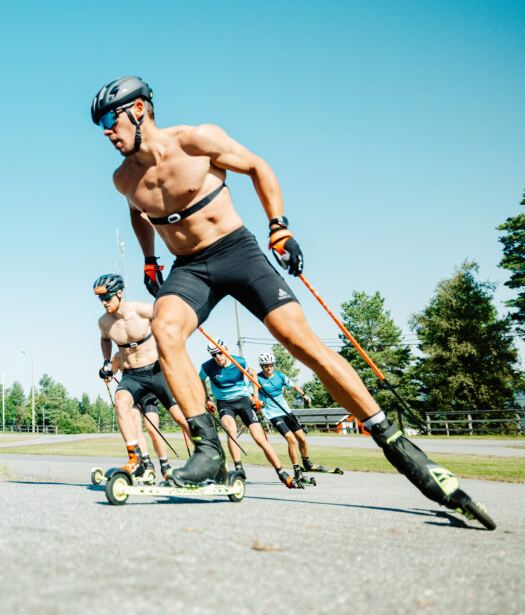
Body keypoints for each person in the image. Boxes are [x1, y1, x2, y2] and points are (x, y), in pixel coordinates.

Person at [90, 76, 481, 518]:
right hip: (189, 267)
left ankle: (394, 442)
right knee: (165, 327)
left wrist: (280, 226)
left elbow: (259, 167)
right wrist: (148, 259)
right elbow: (137, 212)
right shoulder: (124, 177)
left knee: (297, 340)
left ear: (138, 110)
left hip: (235, 250)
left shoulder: (197, 140)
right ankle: (208, 451)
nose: (106, 130)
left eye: (109, 119)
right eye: (100, 123)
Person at [96, 273, 190, 481]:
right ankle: (134, 458)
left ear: (120, 294)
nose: (104, 303)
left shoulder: (142, 309)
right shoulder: (104, 322)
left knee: (180, 417)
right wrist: (106, 362)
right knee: (121, 403)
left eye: (107, 298)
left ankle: (209, 457)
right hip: (132, 375)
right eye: (100, 299)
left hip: (156, 371)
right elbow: (105, 340)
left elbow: (167, 317)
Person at [199, 342, 301, 488]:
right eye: (214, 354)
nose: (218, 357)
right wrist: (207, 399)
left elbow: (253, 374)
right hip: (224, 403)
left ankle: (282, 473)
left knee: (259, 438)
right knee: (231, 431)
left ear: (225, 349)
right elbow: (201, 379)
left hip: (243, 401)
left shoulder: (239, 361)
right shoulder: (207, 366)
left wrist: (256, 396)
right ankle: (239, 468)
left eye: (220, 352)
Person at [254, 351, 330, 479]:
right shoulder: (257, 378)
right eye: (266, 365)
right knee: (291, 439)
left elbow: (294, 386)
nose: (269, 368)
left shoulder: (280, 376)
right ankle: (297, 470)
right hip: (273, 414)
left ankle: (306, 462)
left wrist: (304, 395)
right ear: (262, 366)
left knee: (302, 439)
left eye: (271, 365)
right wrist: (257, 401)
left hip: (286, 411)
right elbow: (251, 395)